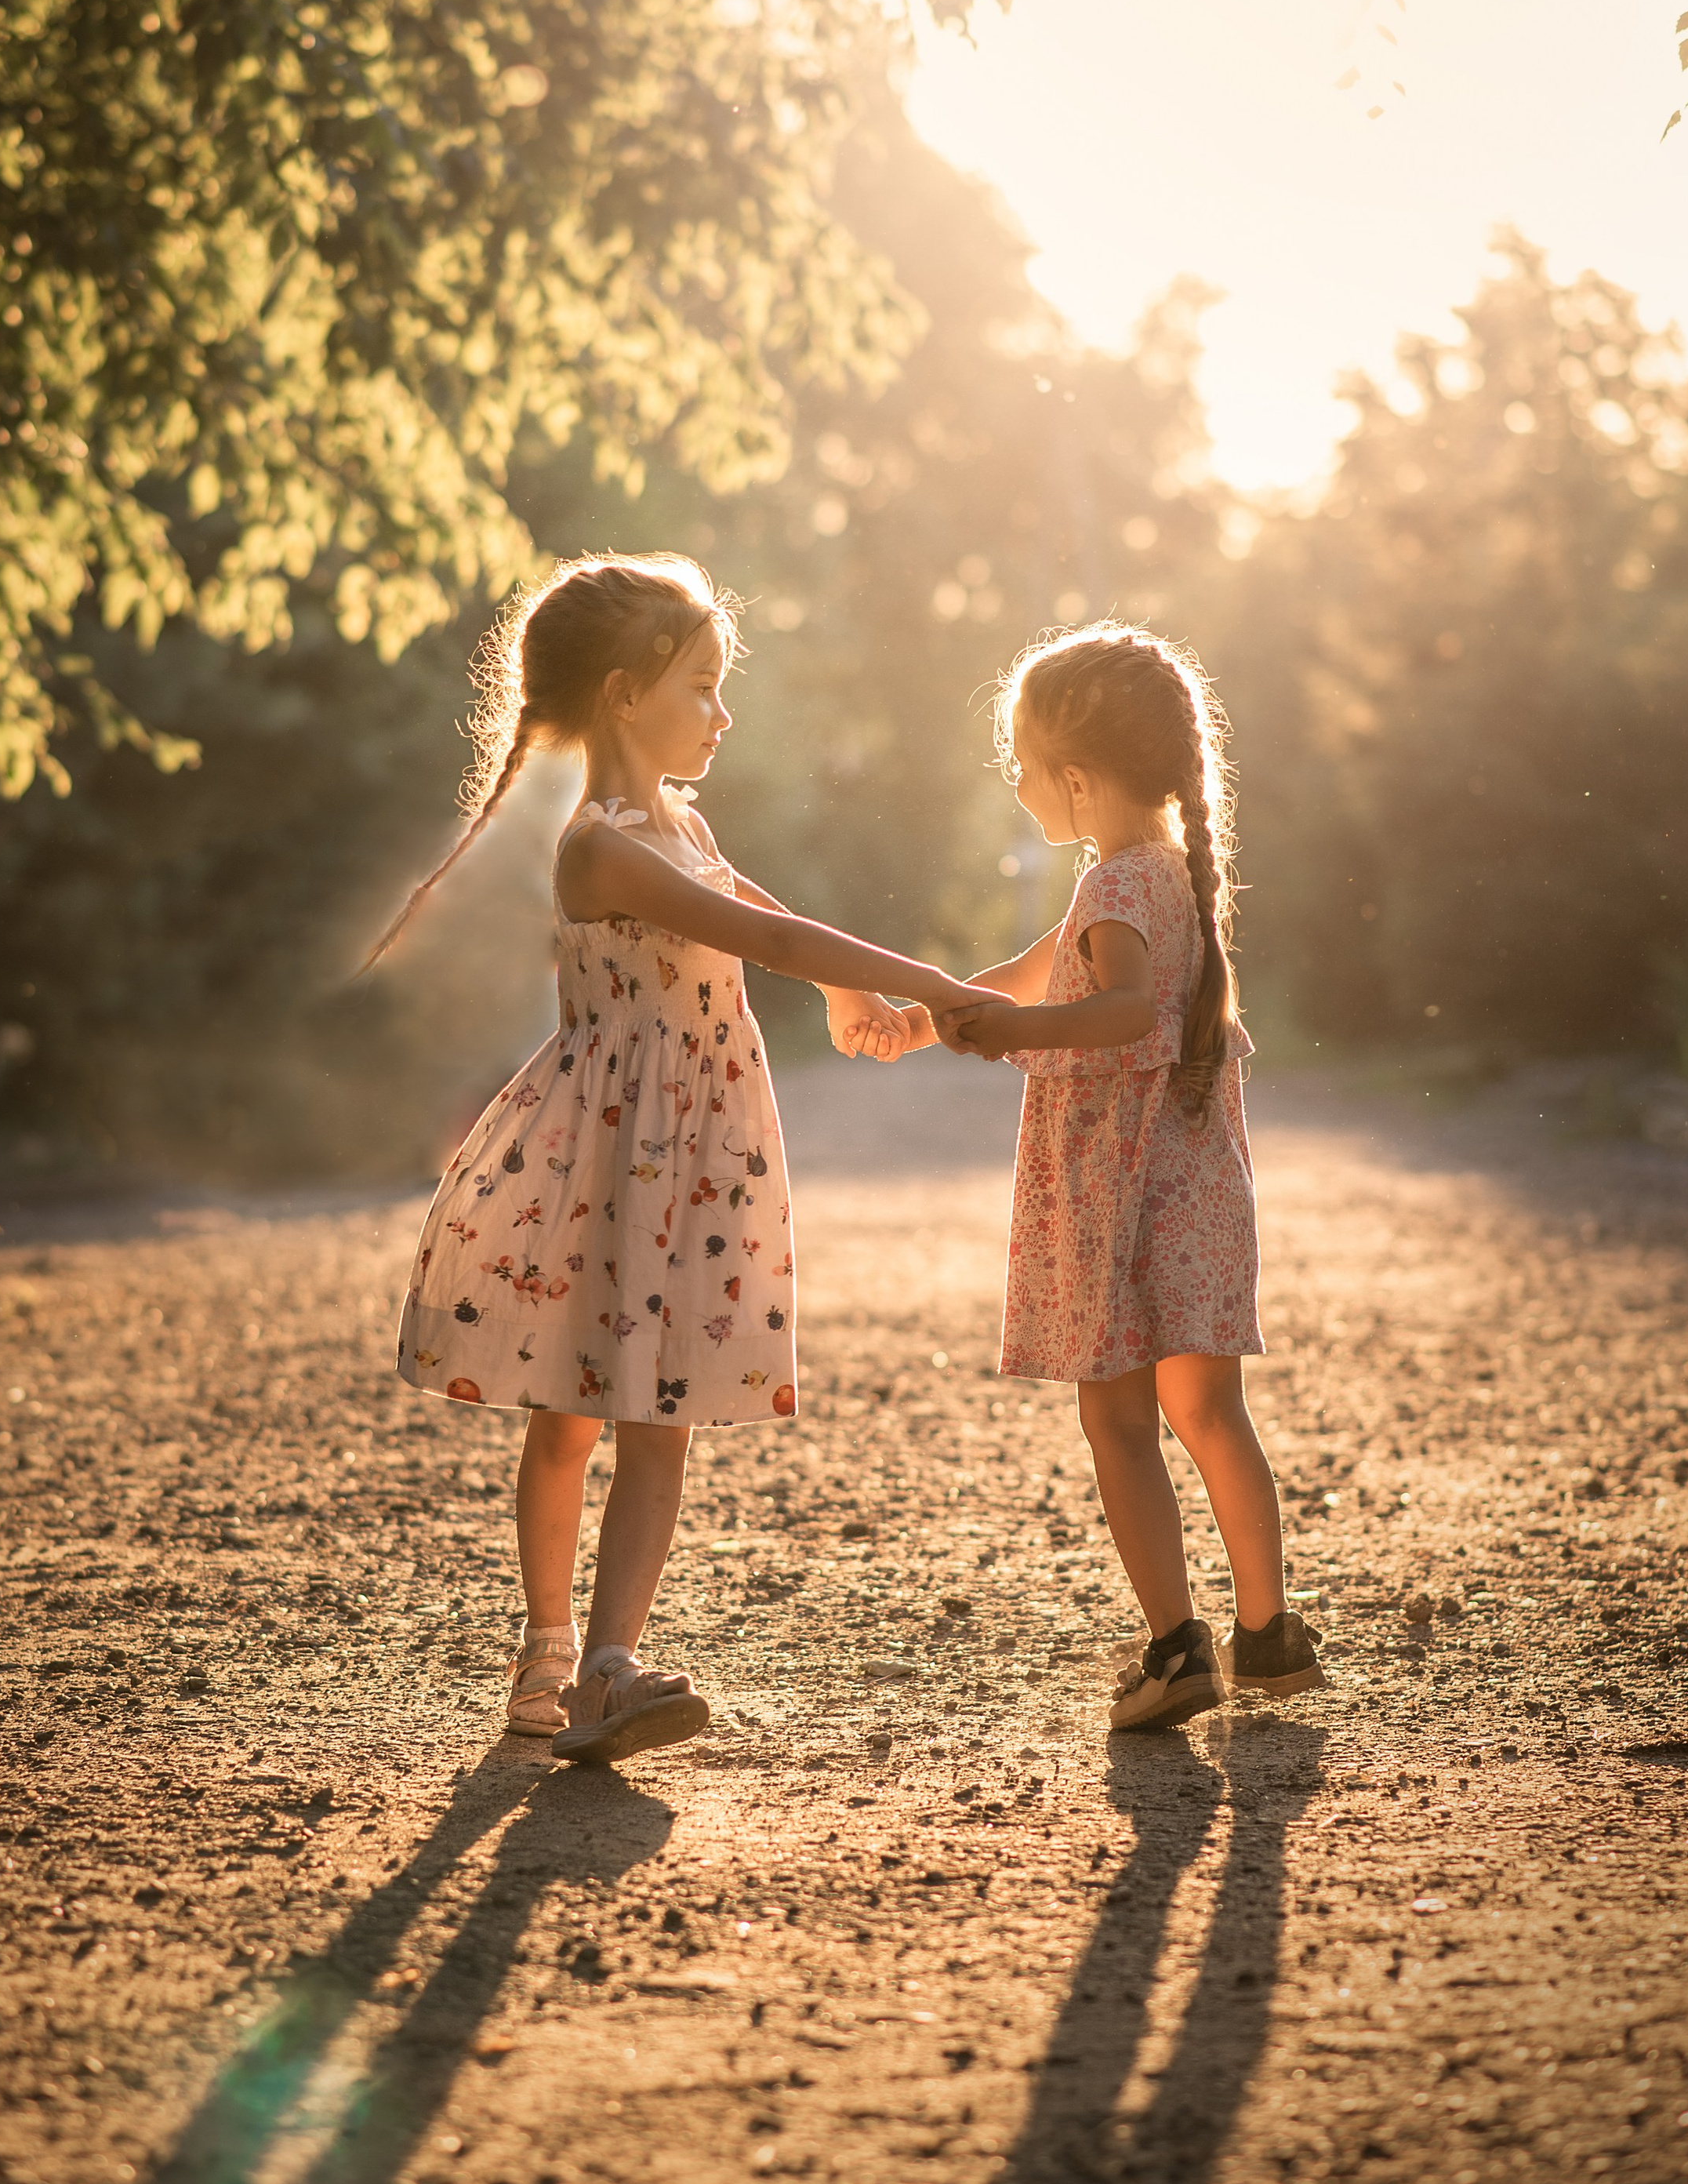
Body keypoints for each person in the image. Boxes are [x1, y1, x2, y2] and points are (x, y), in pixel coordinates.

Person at [364, 552, 998, 1768]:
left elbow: (772, 931)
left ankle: (609, 1670)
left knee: (665, 1417)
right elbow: (770, 931)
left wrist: (855, 997)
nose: (723, 711)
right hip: (608, 1159)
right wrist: (939, 986)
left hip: (697, 1159)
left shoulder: (685, 827)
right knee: (568, 1418)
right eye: (702, 686)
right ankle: (549, 1652)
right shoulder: (598, 847)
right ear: (621, 695)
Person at [898, 621, 1324, 1734]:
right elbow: (1035, 969)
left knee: (1119, 1423)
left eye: (1025, 770)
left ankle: (1177, 1648)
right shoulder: (1156, 872)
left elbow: (1118, 1005)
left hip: (1116, 1199)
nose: (1019, 788)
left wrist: (1010, 1033)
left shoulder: (1120, 885)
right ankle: (1269, 1633)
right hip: (1192, 1191)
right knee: (1212, 1413)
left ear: (1076, 780)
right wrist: (930, 1011)